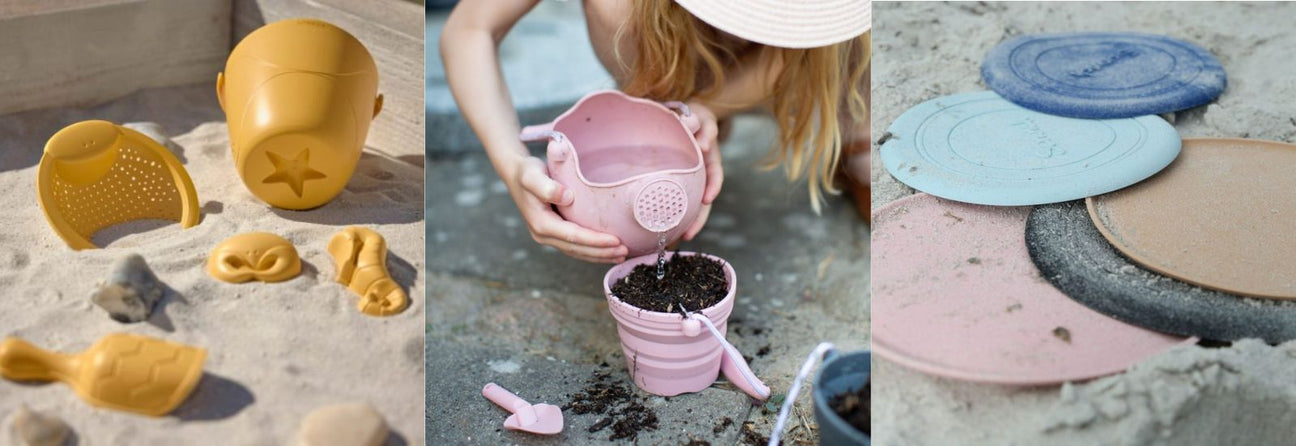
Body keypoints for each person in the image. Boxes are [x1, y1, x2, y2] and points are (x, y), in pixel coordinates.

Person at [441, 0, 870, 264]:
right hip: (662, 29)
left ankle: (853, 129)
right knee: (618, 7)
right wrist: (513, 162)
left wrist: (709, 108)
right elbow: (470, 29)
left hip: (811, 61)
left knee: (855, 50)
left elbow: (804, 48)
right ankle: (658, 107)